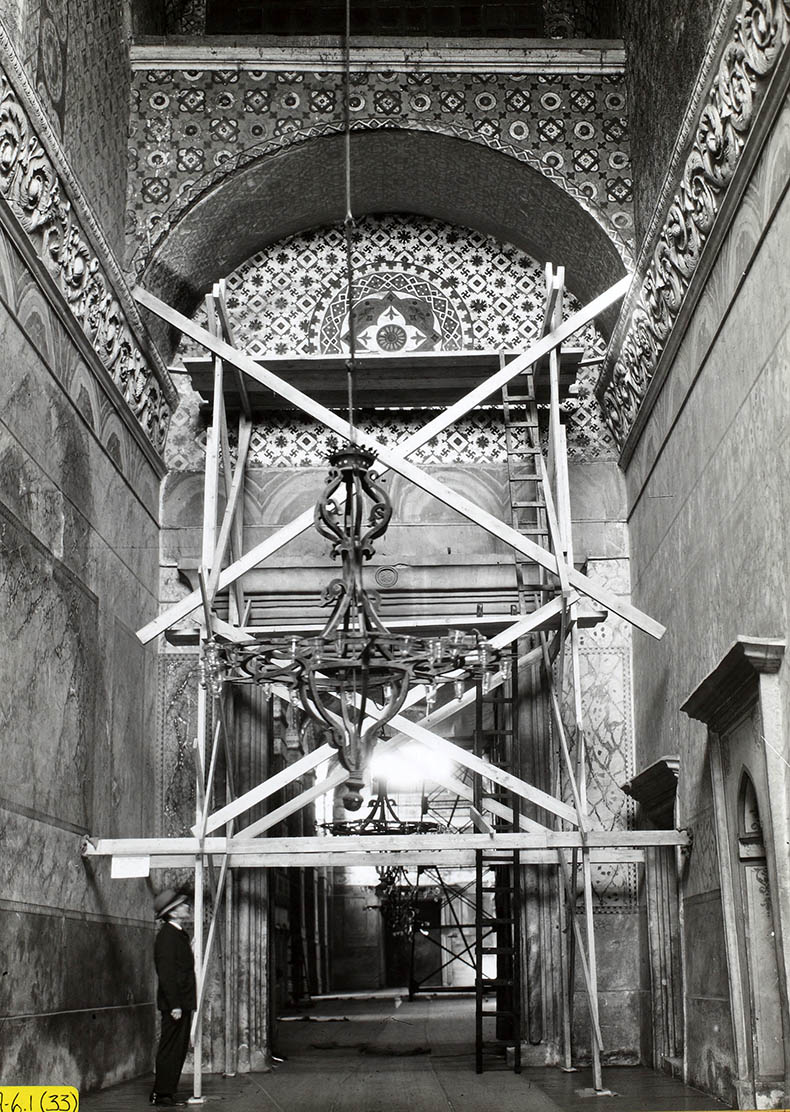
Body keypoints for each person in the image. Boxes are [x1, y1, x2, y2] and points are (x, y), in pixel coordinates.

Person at [150, 889, 197, 1107]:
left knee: (177, 1048)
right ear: (173, 912)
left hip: (182, 1002)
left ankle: (167, 1092)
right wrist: (175, 1005)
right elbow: (166, 973)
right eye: (182, 905)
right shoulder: (167, 936)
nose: (187, 907)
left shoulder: (176, 934)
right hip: (175, 1005)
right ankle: (162, 1094)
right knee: (171, 1048)